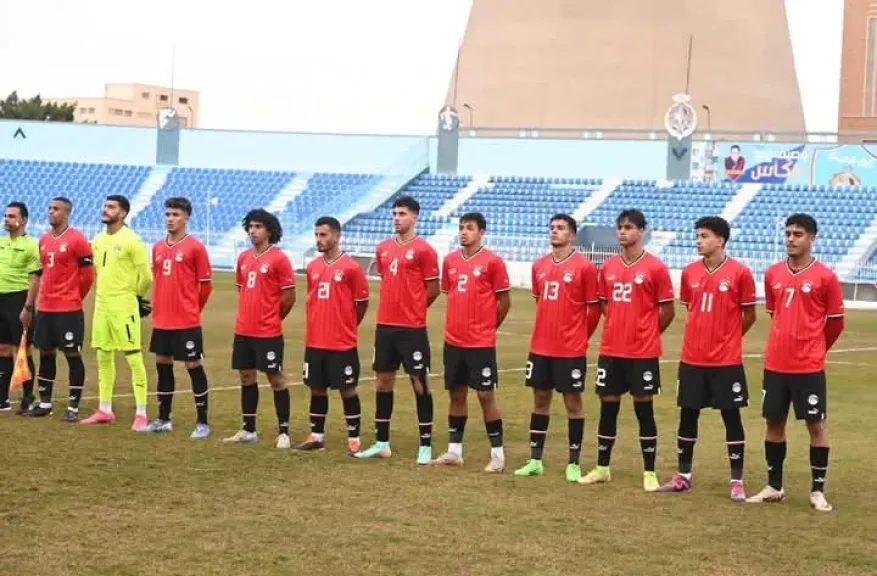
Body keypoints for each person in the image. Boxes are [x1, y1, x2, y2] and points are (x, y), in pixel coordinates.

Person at [747, 214, 844, 512]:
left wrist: (815, 348)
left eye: (798, 234)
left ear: (812, 238)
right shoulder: (773, 273)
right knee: (773, 422)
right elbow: (776, 314)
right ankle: (774, 486)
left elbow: (836, 323)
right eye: (788, 233)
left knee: (816, 424)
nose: (791, 238)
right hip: (776, 364)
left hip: (809, 367)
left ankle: (817, 490)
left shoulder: (825, 277)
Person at [657, 216, 756, 500]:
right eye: (697, 235)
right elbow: (691, 308)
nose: (698, 241)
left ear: (720, 240)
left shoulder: (740, 273)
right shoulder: (689, 273)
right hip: (692, 359)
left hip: (726, 361)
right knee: (688, 415)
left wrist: (728, 339)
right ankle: (683, 475)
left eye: (704, 236)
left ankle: (736, 480)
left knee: (731, 416)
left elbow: (748, 315)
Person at [580, 209, 675, 492]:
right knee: (608, 407)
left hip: (642, 352)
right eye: (620, 227)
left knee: (643, 410)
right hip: (612, 349)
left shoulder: (655, 268)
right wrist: (619, 325)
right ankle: (602, 467)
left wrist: (646, 332)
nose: (623, 232)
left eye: (629, 227)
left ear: (642, 231)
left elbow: (667, 310)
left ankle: (649, 472)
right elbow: (604, 303)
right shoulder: (608, 267)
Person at [514, 214, 601, 482]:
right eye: (552, 227)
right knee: (540, 401)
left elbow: (594, 309)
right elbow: (541, 302)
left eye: (561, 228)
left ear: (572, 235)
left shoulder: (584, 267)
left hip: (570, 350)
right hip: (541, 347)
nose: (554, 231)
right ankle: (535, 460)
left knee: (573, 403)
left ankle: (573, 462)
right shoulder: (539, 265)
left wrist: (579, 337)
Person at [355, 196, 440, 464]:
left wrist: (414, 308)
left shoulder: (425, 250)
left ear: (415, 217)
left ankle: (425, 446)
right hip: (385, 327)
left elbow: (433, 288)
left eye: (402, 213)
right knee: (383, 381)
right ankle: (382, 443)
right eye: (394, 213)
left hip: (412, 328)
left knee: (420, 382)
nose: (396, 218)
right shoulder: (383, 248)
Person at [430, 212, 511, 472]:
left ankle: (498, 454)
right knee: (456, 393)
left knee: (486, 395)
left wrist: (489, 327)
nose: (464, 232)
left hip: (480, 342)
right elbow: (450, 293)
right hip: (454, 341)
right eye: (462, 228)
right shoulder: (450, 260)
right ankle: (455, 450)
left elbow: (504, 301)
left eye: (470, 228)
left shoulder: (493, 261)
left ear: (481, 232)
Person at [293, 216, 369, 454]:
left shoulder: (351, 267)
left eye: (323, 235)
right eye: (316, 235)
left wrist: (346, 325)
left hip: (341, 342)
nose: (319, 239)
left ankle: (354, 438)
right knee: (317, 387)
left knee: (348, 389)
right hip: (315, 340)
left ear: (336, 236)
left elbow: (361, 304)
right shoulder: (313, 266)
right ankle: (316, 436)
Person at [224, 209, 296, 448]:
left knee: (275, 378)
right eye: (250, 227)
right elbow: (241, 290)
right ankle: (248, 429)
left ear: (269, 230)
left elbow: (288, 297)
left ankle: (283, 432)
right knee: (246, 377)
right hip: (244, 330)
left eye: (258, 227)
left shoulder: (279, 259)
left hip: (268, 332)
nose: (252, 231)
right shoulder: (243, 258)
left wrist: (272, 318)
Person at [143, 197, 213, 438]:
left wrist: (193, 309)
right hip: (162, 320)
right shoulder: (158, 247)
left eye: (175, 215)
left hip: (186, 321)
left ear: (186, 218)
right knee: (163, 366)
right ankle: (163, 418)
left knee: (193, 366)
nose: (170, 219)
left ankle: (203, 422)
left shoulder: (195, 247)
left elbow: (205, 286)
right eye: (168, 214)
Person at [81, 195, 153, 430]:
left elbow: (147, 277)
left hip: (124, 305)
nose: (105, 210)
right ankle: (105, 409)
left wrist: (134, 296)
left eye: (111, 207)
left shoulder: (133, 240)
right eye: (104, 206)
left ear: (122, 213)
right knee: (103, 355)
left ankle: (141, 413)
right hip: (102, 305)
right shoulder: (99, 240)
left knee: (133, 356)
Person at [31, 197, 94, 420]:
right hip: (46, 307)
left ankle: (74, 406)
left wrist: (74, 297)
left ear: (67, 213)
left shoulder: (78, 240)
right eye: (49, 208)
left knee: (72, 353)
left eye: (56, 209)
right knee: (46, 353)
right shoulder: (44, 240)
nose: (51, 212)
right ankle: (45, 402)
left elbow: (87, 276)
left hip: (68, 309)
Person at [0, 202, 41, 413]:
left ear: (23, 220)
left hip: (18, 299)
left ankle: (27, 396)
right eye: (5, 215)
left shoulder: (31, 245)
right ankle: (2, 399)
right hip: (0, 299)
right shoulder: (1, 242)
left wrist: (28, 306)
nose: (6, 219)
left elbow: (34, 278)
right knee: (2, 349)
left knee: (23, 350)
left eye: (11, 216)